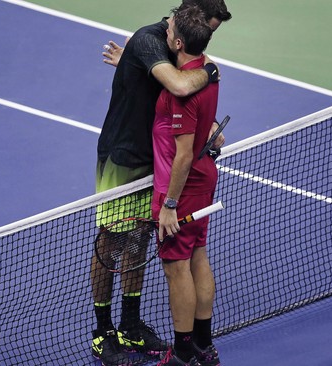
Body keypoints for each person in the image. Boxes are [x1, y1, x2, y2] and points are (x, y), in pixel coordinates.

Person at [91, 1, 232, 366]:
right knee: (111, 245)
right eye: (207, 27)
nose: (209, 35)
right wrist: (212, 71)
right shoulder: (151, 40)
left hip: (156, 164)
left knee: (138, 242)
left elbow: (185, 89)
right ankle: (103, 332)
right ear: (187, 18)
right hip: (122, 160)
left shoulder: (178, 47)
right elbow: (180, 83)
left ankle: (130, 324)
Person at [151, 6, 222, 366]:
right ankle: (204, 347)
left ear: (178, 42)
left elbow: (181, 155)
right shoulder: (208, 70)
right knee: (198, 256)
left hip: (183, 184)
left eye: (170, 30)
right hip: (205, 176)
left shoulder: (181, 93)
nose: (165, 32)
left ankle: (181, 354)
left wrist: (169, 204)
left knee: (176, 267)